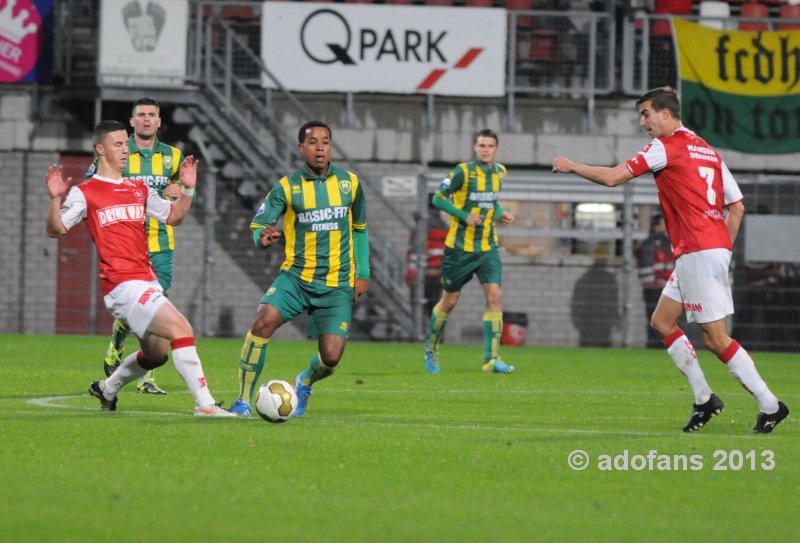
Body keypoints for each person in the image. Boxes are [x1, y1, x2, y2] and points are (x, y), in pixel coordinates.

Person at [552, 86, 789, 434]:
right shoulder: (707, 150)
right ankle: (704, 398)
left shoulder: (666, 147)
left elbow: (614, 177)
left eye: (646, 114)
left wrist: (572, 165)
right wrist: (722, 251)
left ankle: (771, 405)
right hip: (706, 250)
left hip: (698, 251)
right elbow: (736, 207)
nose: (642, 122)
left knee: (714, 338)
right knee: (662, 321)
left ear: (666, 113)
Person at [46, 120, 233, 416]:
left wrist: (187, 189)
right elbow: (57, 229)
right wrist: (56, 200)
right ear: (100, 149)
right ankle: (205, 405)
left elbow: (173, 217)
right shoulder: (87, 192)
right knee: (181, 327)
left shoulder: (138, 188)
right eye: (118, 145)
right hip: (122, 285)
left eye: (126, 145)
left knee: (156, 355)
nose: (125, 150)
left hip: (147, 282)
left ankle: (107, 389)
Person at [227, 120, 369, 417]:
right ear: (301, 148)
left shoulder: (350, 184)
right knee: (262, 322)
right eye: (313, 142)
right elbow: (259, 224)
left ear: (331, 146)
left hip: (336, 282)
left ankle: (304, 382)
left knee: (330, 358)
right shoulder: (287, 187)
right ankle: (242, 400)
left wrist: (363, 273)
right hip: (296, 278)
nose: (320, 148)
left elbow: (359, 229)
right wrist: (262, 237)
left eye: (326, 142)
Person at [91, 97, 187, 395]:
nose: (147, 119)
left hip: (160, 244)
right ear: (132, 122)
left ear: (160, 121)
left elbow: (183, 190)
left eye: (152, 115)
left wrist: (180, 189)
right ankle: (117, 347)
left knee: (156, 307)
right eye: (141, 115)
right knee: (138, 310)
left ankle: (147, 377)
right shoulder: (117, 151)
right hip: (126, 247)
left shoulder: (172, 156)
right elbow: (92, 184)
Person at [422, 129, 516, 375]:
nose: (486, 149)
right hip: (460, 249)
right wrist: (464, 216)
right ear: (475, 148)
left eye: (490, 146)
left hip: (488, 247)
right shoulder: (462, 172)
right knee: (450, 301)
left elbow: (490, 202)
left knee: (494, 297)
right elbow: (438, 199)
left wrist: (501, 213)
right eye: (482, 145)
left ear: (496, 149)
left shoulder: (499, 172)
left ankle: (491, 359)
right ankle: (431, 347)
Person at [405, 198, 448, 330]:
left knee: (417, 308)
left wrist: (410, 274)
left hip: (419, 273)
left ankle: (418, 333)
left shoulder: (419, 226)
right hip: (436, 273)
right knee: (435, 307)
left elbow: (413, 251)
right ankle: (437, 338)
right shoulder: (445, 227)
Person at [636, 213, 675, 348]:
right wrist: (653, 285)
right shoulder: (652, 243)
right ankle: (656, 346)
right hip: (656, 290)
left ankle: (663, 346)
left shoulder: (668, 242)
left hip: (665, 289)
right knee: (657, 322)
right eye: (664, 222)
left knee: (665, 322)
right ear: (657, 226)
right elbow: (645, 269)